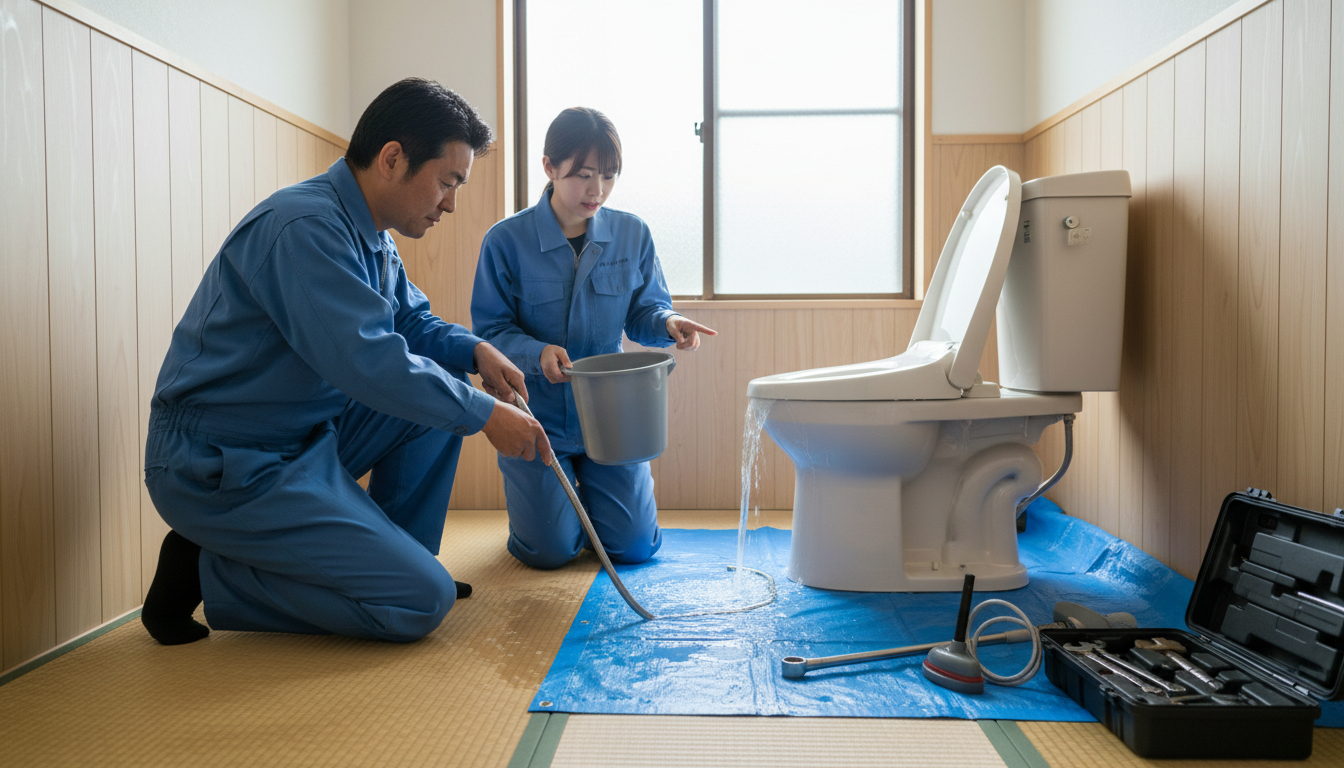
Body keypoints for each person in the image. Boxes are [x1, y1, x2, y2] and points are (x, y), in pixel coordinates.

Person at [141, 79, 552, 646]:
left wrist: (476, 349)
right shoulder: (305, 227)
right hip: (218, 461)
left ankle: (403, 557)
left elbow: (411, 325)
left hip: (301, 433)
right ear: (392, 159)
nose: (451, 203)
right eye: (447, 182)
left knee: (447, 382)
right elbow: (370, 362)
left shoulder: (371, 235)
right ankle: (211, 572)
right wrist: (485, 415)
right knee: (418, 604)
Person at [471, 107, 716, 570]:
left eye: (608, 175)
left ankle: (592, 511)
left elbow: (645, 311)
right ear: (549, 167)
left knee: (634, 549)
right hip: (536, 417)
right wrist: (535, 352)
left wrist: (667, 323)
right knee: (548, 553)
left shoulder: (632, 234)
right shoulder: (505, 241)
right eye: (583, 175)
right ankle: (558, 519)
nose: (596, 190)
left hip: (613, 418)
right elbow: (490, 332)